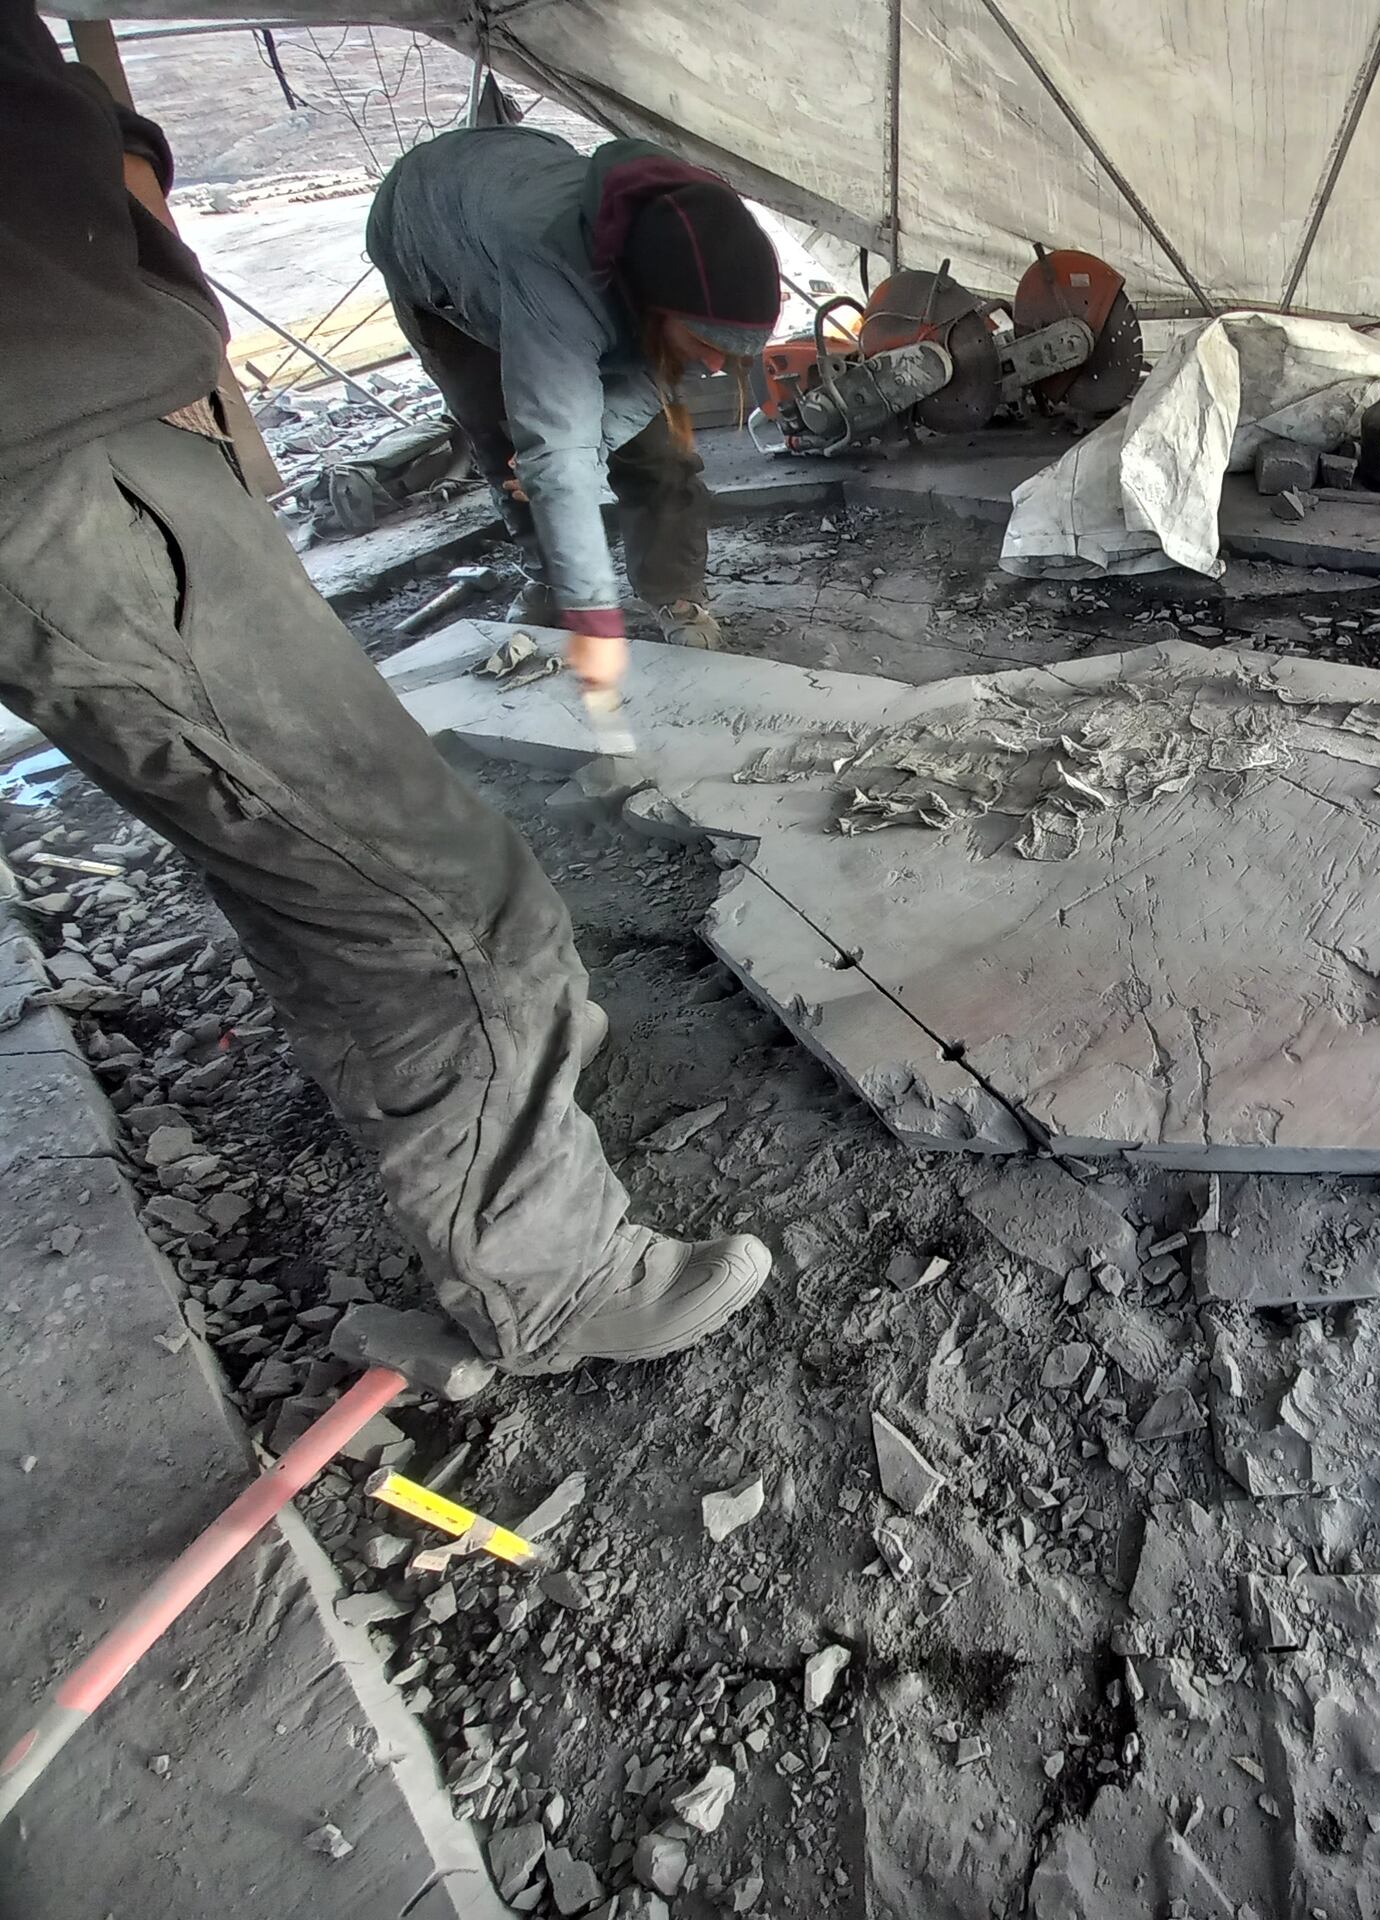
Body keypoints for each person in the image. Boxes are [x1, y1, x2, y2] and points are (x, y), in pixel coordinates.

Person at [0, 0, 770, 1372]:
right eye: (696, 342)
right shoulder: (543, 278)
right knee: (433, 889)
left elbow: (628, 404)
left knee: (331, 850)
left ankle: (515, 1038)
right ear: (645, 297)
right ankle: (552, 1280)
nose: (715, 368)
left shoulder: (655, 227)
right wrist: (597, 661)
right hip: (77, 434)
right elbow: (556, 433)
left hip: (86, 408)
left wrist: (120, 177)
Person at [368, 124, 782, 664]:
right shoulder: (556, 273)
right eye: (705, 344)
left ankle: (673, 592)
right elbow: (556, 459)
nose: (715, 367)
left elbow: (648, 381)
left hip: (517, 198)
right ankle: (551, 583)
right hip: (430, 246)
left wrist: (602, 438)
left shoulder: (687, 248)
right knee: (511, 450)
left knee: (658, 451)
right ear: (655, 305)